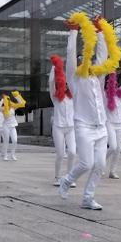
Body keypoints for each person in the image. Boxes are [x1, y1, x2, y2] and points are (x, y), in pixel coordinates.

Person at [58, 13, 121, 210]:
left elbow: (102, 56)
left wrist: (101, 32)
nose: (85, 62)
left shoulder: (97, 77)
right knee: (86, 163)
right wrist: (73, 32)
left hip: (101, 127)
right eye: (81, 60)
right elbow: (69, 57)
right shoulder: (75, 79)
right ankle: (67, 180)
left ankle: (88, 197)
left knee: (100, 164)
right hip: (83, 126)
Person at [48, 54, 76, 186]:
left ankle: (70, 178)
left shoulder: (72, 98)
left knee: (72, 152)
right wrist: (55, 68)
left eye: (66, 84)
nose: (64, 85)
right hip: (58, 127)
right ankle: (58, 177)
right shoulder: (55, 98)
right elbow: (51, 83)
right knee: (60, 154)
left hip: (70, 128)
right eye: (62, 83)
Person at [0, 91, 26, 161]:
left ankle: (12, 154)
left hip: (13, 126)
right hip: (6, 126)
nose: (8, 101)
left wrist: (17, 96)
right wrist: (2, 99)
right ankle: (5, 155)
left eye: (8, 100)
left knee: (15, 140)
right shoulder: (3, 109)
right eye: (6, 100)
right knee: (6, 141)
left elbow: (21, 103)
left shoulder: (13, 107)